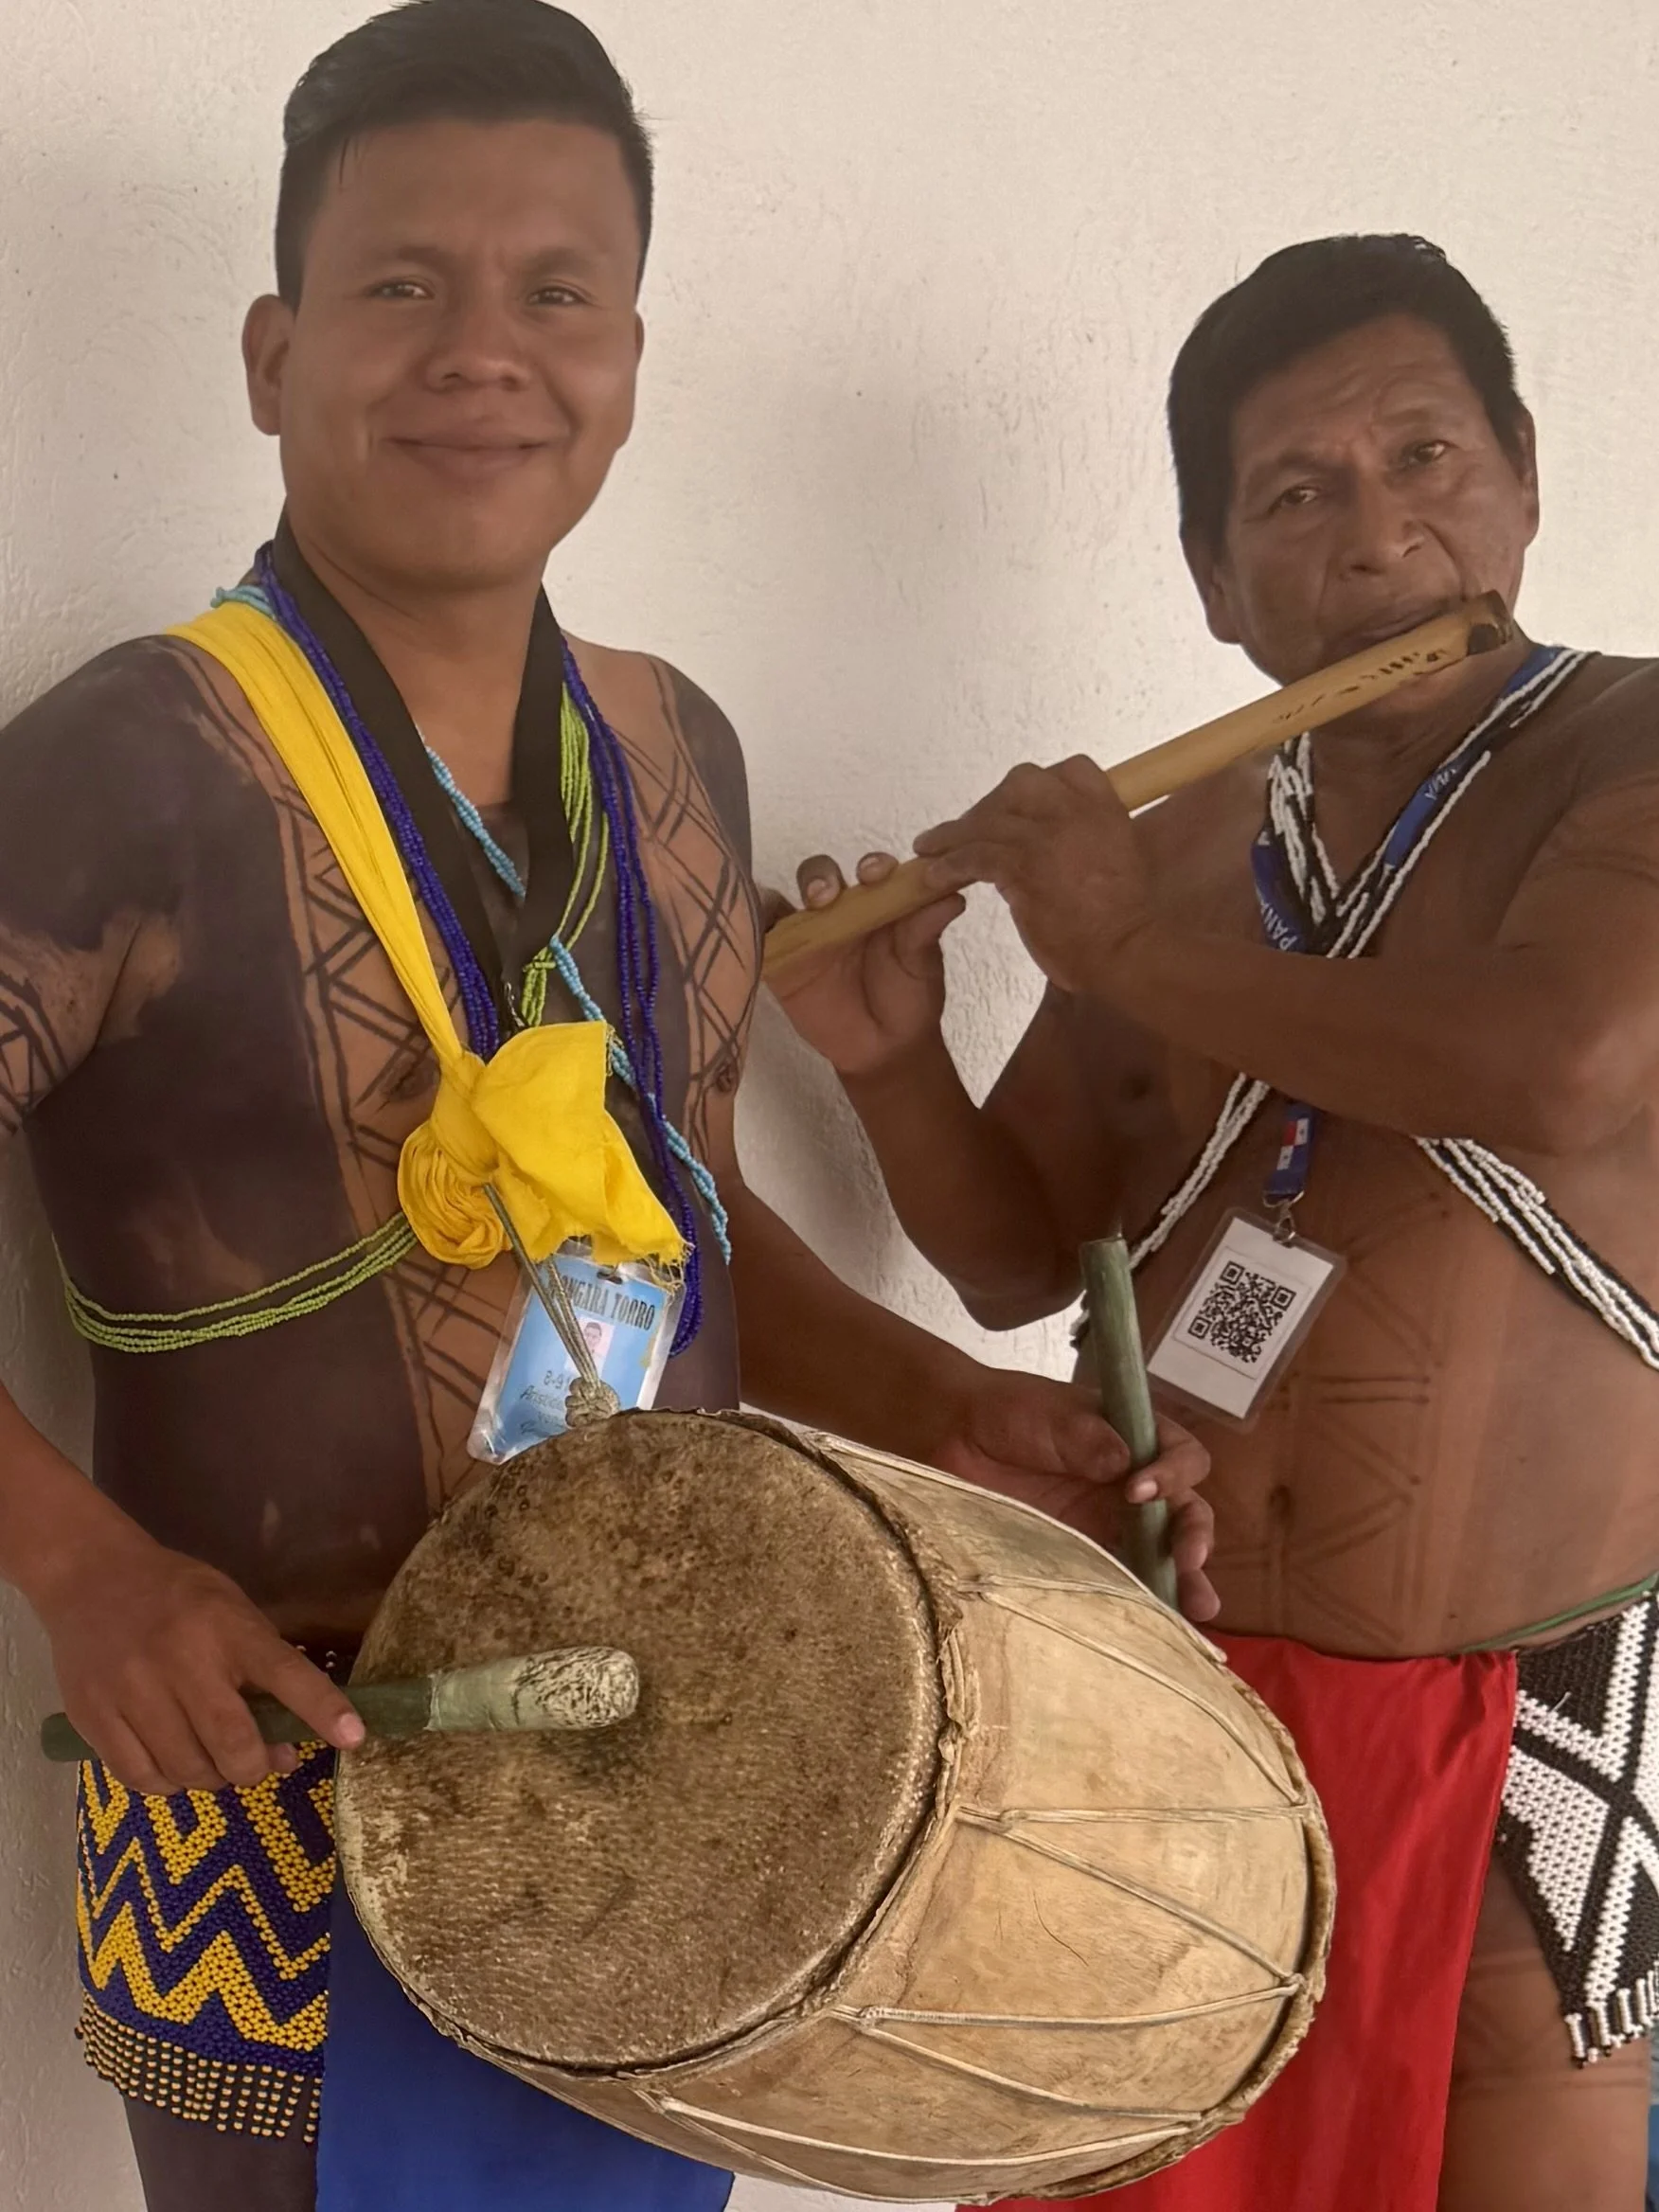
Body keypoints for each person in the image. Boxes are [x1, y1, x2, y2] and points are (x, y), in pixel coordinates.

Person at [0, 8, 1213, 2209]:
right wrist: (81, 1570)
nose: (485, 352)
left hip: (679, 1779)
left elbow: (677, 1229)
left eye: (556, 292)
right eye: (401, 286)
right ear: (273, 354)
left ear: (633, 357)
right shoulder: (126, 765)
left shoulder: (673, 758)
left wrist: (954, 1403)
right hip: (289, 1786)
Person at [773, 234, 1659, 2211]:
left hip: (1528, 1726)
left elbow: (1570, 1067)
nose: (1379, 530)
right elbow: (1019, 1255)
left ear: (1525, 477)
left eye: (1426, 454)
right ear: (1215, 583)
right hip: (1164, 1708)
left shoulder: (1633, 748)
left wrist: (1109, 946)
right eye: (1297, 492)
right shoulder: (1180, 844)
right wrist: (891, 1061)